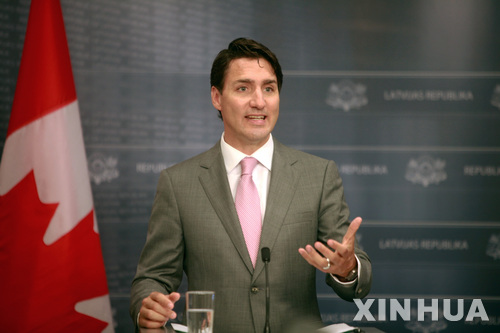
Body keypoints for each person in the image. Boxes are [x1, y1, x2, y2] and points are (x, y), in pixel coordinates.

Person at [130, 37, 372, 332]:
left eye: (268, 89)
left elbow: (353, 279)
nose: (259, 101)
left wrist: (347, 270)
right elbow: (152, 278)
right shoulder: (179, 183)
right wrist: (148, 304)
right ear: (217, 97)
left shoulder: (318, 175)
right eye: (243, 88)